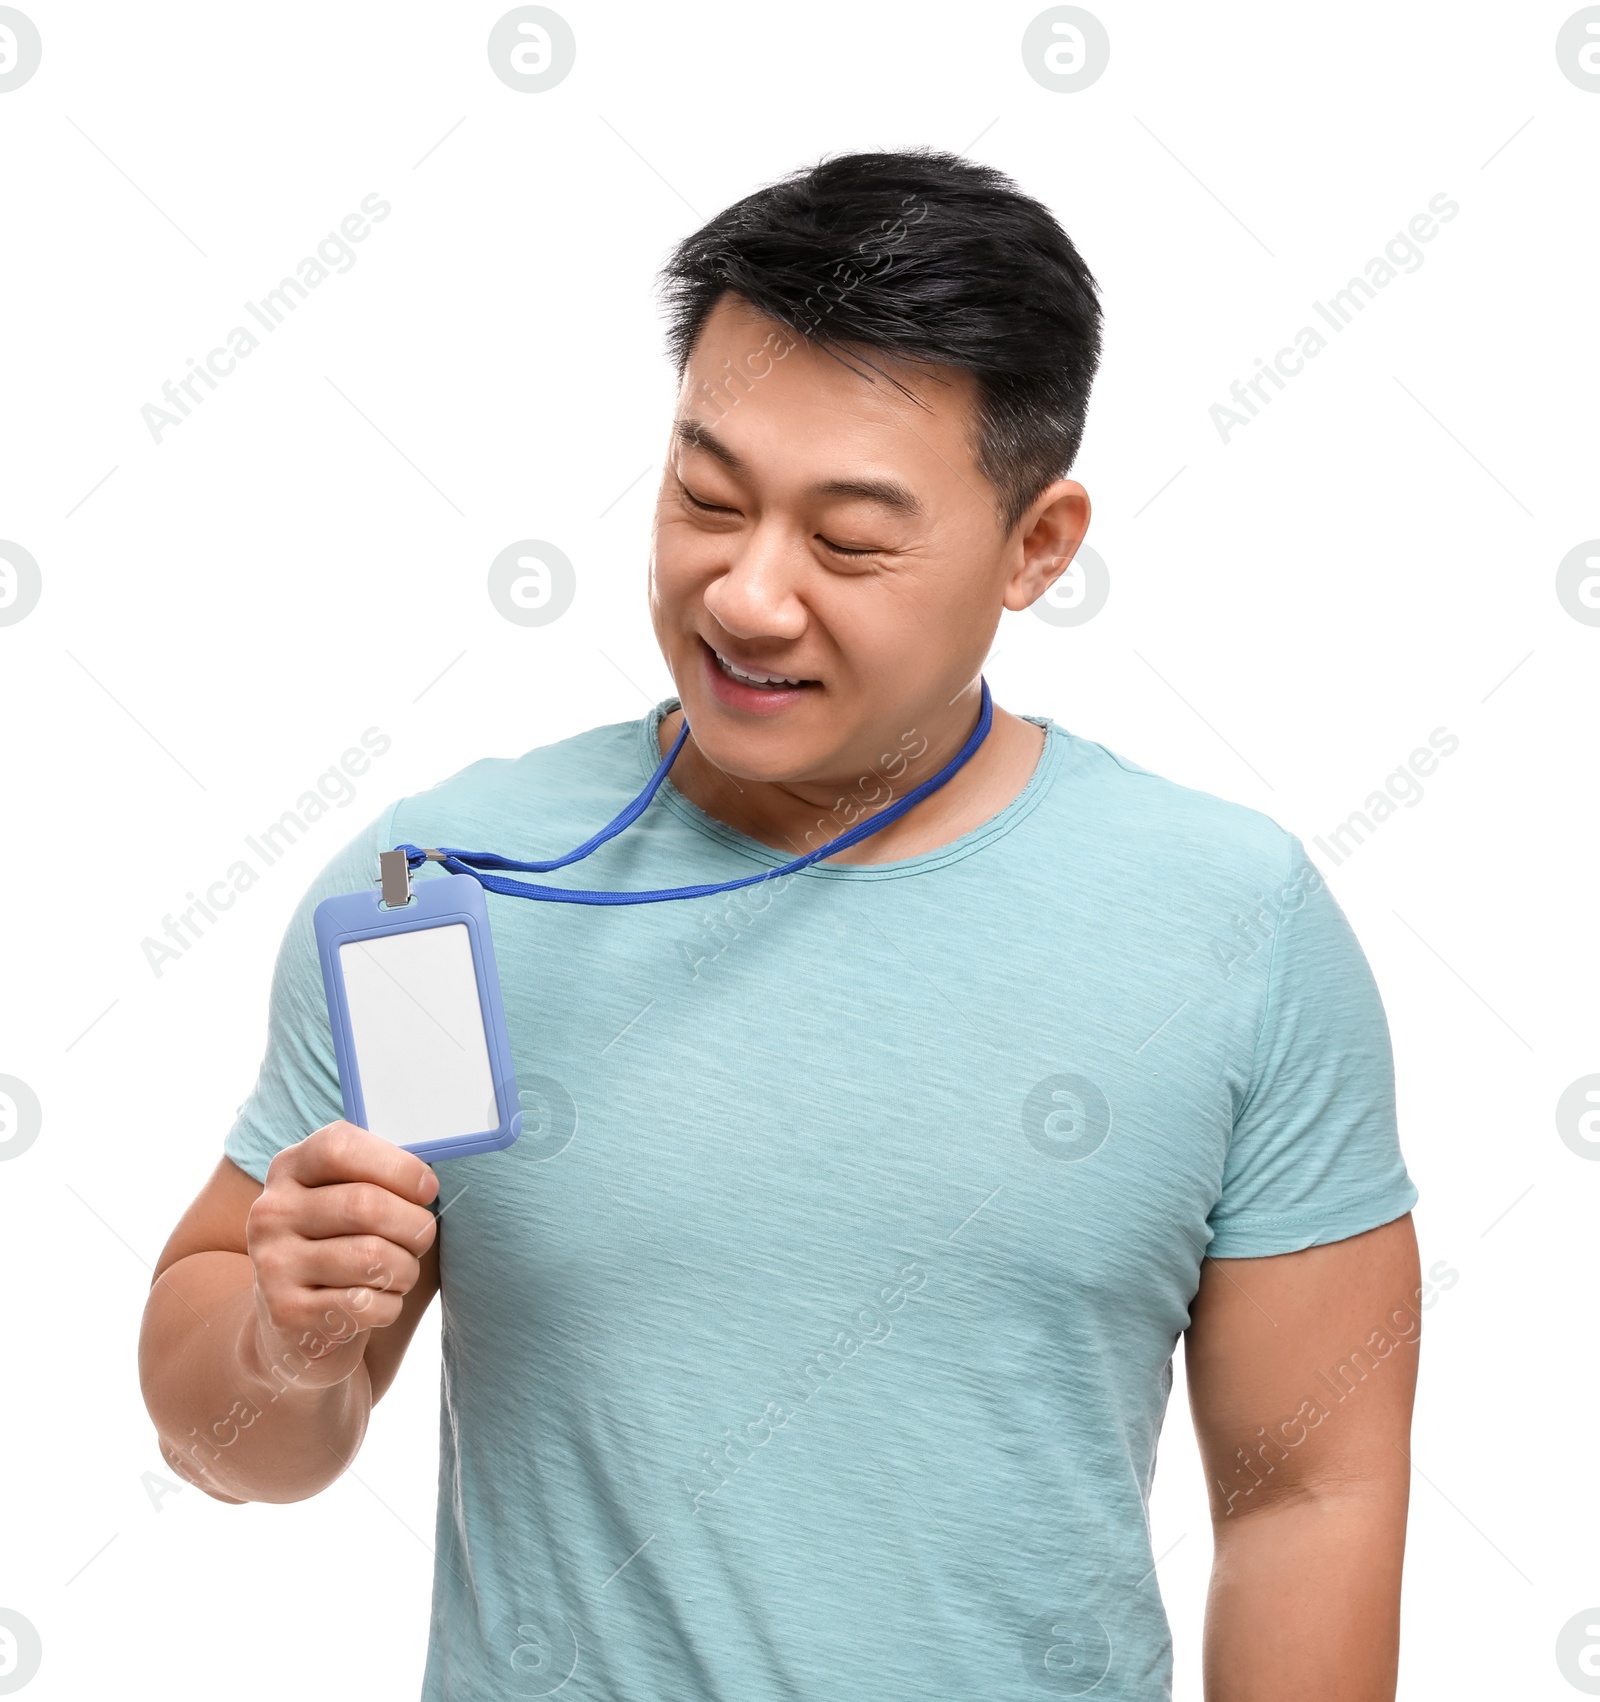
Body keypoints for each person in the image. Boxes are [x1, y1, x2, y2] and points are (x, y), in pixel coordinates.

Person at [140, 149, 1422, 1701]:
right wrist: (284, 1341)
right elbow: (244, 1451)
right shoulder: (446, 895)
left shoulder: (1238, 924)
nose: (746, 595)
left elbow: (1310, 1494)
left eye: (850, 538)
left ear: (1038, 545)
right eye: (706, 497)